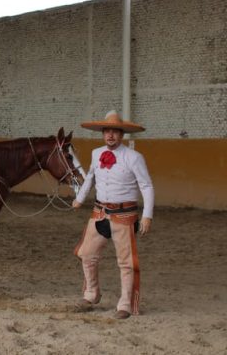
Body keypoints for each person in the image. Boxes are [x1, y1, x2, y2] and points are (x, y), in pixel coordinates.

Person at [72, 110, 154, 319]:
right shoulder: (96, 153)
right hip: (99, 213)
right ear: (102, 133)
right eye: (107, 131)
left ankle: (125, 304)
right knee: (86, 254)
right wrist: (80, 199)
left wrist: (147, 215)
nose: (110, 136)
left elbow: (146, 185)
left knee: (126, 262)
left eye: (115, 132)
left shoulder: (134, 158)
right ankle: (91, 293)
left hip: (124, 216)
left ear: (122, 134)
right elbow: (90, 178)